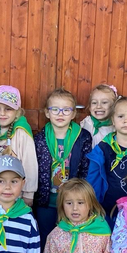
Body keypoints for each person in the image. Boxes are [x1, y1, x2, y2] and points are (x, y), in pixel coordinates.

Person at [33, 88, 92, 244]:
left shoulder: (82, 137)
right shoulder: (40, 138)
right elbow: (33, 168)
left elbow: (85, 168)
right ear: (47, 112)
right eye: (55, 109)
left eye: (66, 110)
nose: (60, 114)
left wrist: (81, 196)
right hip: (46, 201)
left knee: (69, 238)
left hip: (72, 201)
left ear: (73, 114)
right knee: (45, 237)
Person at [0, 85, 38, 206]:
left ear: (17, 112)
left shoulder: (21, 132)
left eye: (8, 109)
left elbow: (30, 163)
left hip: (15, 194)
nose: (2, 113)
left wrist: (29, 193)